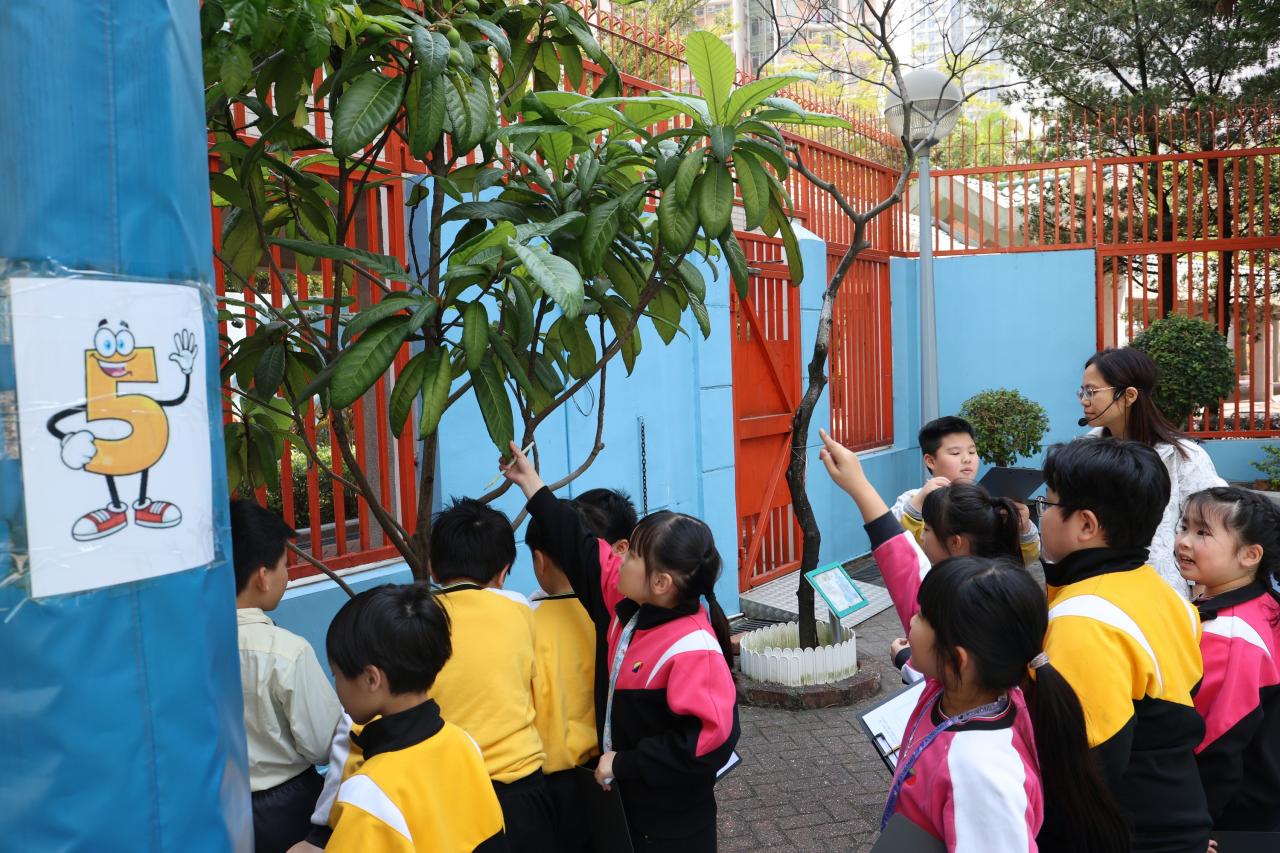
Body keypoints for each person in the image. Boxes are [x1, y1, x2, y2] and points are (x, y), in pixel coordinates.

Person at [818, 429, 1129, 853]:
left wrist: (859, 486)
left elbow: (902, 566)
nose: (910, 619)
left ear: (957, 658)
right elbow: (902, 564)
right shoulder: (978, 664)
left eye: (921, 617)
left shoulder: (981, 770)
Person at [503, 443, 739, 853]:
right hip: (629, 810)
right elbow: (580, 547)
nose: (621, 555)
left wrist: (625, 763)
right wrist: (532, 485)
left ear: (661, 582)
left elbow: (707, 741)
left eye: (633, 554)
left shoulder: (692, 650)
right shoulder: (626, 605)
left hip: (673, 828)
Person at [1038, 438, 1211, 851]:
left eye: (1047, 504)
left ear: (1086, 525)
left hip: (1131, 837)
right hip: (1177, 820)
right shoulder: (1167, 596)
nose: (1039, 516)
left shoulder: (1083, 622)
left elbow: (1085, 775)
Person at [321, 584, 506, 852]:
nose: (337, 686)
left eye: (336, 674)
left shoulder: (368, 795)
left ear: (371, 678)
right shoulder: (464, 743)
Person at [428, 498, 556, 853]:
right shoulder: (517, 608)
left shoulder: (416, 619)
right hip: (520, 787)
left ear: (433, 568)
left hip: (444, 793)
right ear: (503, 572)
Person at [231, 499, 342, 853]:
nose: (288, 575)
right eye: (284, 565)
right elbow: (324, 743)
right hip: (286, 810)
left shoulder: (187, 649)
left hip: (212, 808)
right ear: (263, 576)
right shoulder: (286, 651)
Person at [1078, 347, 1225, 596]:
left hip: (1164, 597)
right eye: (1082, 391)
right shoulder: (1083, 453)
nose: (1084, 400)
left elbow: (1211, 527)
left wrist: (1200, 601)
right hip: (1094, 590)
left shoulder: (1183, 457)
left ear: (1129, 395)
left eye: (1092, 391)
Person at [1175, 487, 1280, 831]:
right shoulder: (1264, 603)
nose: (1184, 541)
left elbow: (1216, 742)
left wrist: (1190, 826)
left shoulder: (1230, 634)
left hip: (1230, 814)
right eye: (1184, 527)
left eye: (1202, 533)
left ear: (1250, 555)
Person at [526, 501, 608, 853]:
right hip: (604, 768)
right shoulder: (609, 618)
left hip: (548, 778)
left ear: (539, 560)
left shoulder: (527, 623)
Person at [889, 480, 1025, 685]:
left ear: (955, 542)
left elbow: (956, 679)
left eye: (927, 530)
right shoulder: (999, 582)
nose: (922, 537)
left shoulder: (965, 600)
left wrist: (905, 659)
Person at [891, 416, 1041, 565]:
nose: (967, 459)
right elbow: (893, 546)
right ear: (930, 461)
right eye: (955, 453)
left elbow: (1028, 558)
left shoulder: (988, 503)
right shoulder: (913, 500)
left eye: (972, 451)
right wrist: (918, 504)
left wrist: (1023, 527)